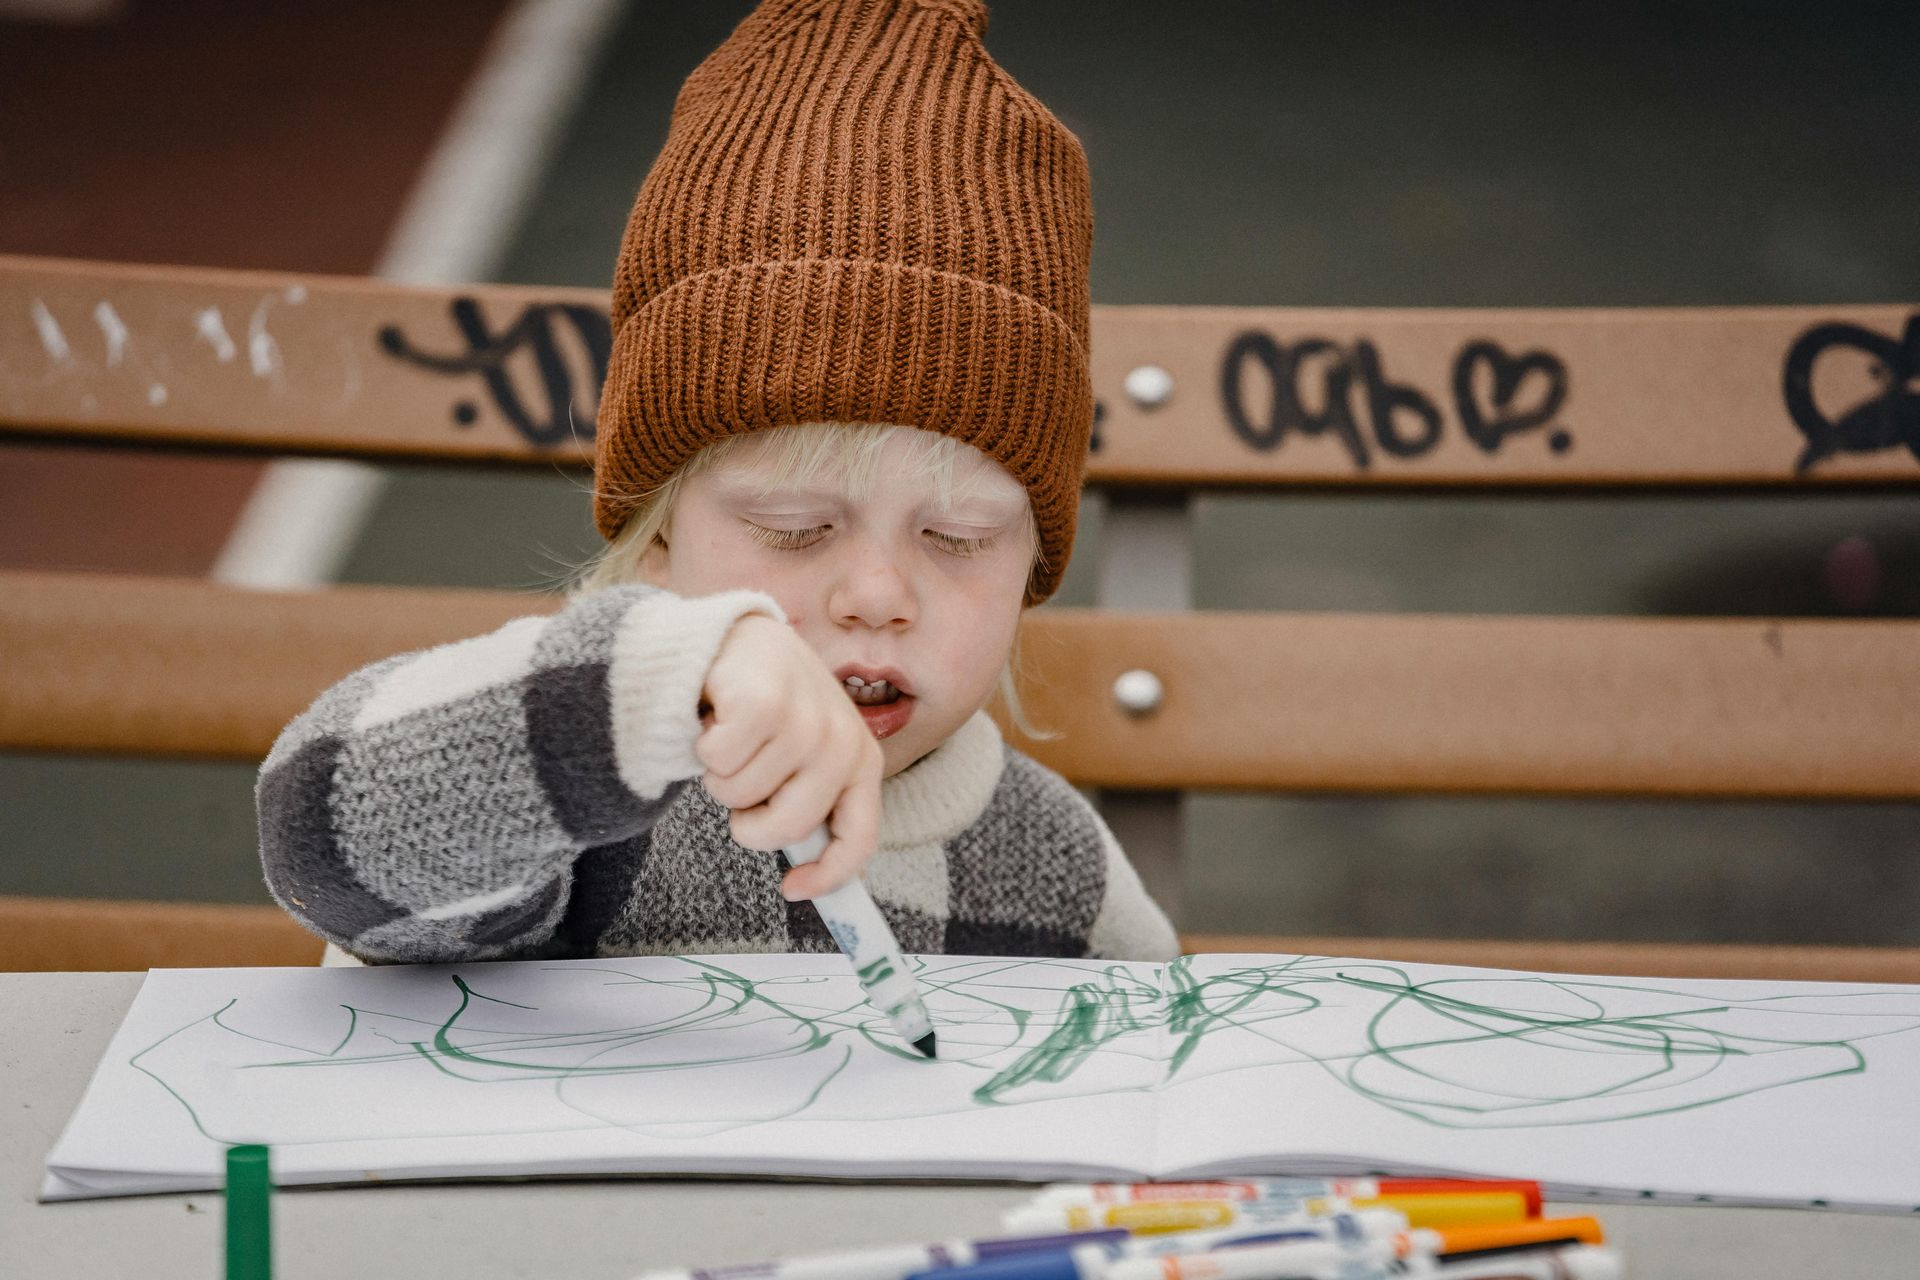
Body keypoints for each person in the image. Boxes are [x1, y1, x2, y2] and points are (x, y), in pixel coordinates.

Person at [256, 0, 1178, 965]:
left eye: (957, 537)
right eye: (793, 526)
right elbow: (320, 841)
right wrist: (640, 691)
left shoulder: (1059, 867)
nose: (877, 596)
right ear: (656, 545)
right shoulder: (573, 809)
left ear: (1033, 563)